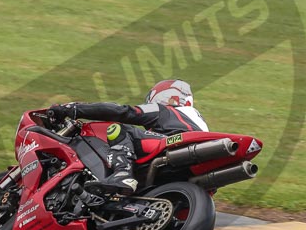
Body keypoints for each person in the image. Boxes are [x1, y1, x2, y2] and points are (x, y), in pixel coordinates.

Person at [49, 79, 209, 195]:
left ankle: (122, 173)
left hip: (173, 145)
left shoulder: (163, 109)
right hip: (195, 164)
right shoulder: (199, 121)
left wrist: (74, 109)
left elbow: (123, 112)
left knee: (119, 129)